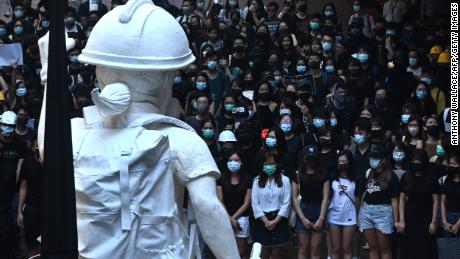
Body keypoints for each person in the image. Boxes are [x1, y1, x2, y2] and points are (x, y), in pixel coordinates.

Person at [358, 145, 399, 259]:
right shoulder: (368, 173)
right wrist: (360, 212)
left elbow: (394, 200)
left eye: (375, 158)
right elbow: (364, 193)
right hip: (367, 211)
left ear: (383, 160)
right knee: (373, 247)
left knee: (384, 248)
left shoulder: (391, 176)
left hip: (383, 212)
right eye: (371, 157)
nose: (372, 160)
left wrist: (396, 221)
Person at [398, 149, 439, 259]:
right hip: (409, 218)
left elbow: (436, 201)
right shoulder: (406, 177)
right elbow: (401, 198)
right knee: (409, 249)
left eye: (419, 162)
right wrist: (401, 220)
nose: (416, 164)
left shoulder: (431, 178)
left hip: (426, 218)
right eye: (414, 161)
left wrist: (434, 222)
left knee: (425, 250)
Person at [292, 145, 329, 259]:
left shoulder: (323, 174)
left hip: (319, 211)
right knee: (303, 248)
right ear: (303, 158)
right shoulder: (297, 174)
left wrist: (321, 219)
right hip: (302, 210)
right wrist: (303, 219)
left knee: (316, 249)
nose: (310, 161)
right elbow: (294, 198)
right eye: (308, 158)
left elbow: (325, 197)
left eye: (313, 158)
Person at [251, 152, 291, 259]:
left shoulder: (285, 180)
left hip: (279, 219)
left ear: (277, 164)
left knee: (276, 253)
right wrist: (266, 221)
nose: (269, 166)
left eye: (272, 163)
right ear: (262, 165)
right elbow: (255, 204)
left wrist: (275, 221)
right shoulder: (256, 181)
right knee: (263, 252)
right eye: (266, 164)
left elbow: (286, 203)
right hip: (262, 220)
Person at [217, 151, 252, 259]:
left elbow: (247, 203)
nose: (233, 163)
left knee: (241, 251)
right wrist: (230, 219)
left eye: (236, 160)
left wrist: (233, 218)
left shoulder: (247, 179)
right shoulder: (221, 178)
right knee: (226, 250)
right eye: (230, 160)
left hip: (241, 218)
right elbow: (220, 200)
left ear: (241, 163)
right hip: (225, 217)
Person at [328, 150, 359, 259]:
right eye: (339, 161)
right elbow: (328, 197)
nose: (341, 163)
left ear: (349, 163)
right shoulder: (332, 177)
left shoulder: (355, 179)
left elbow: (357, 198)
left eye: (344, 161)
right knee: (335, 248)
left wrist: (358, 216)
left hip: (349, 216)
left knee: (347, 248)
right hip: (334, 216)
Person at [17, 138, 42, 255]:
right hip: (32, 208)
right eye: (37, 145)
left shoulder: (54, 164)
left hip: (50, 209)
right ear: (33, 147)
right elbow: (23, 187)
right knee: (31, 243)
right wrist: (19, 211)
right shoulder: (27, 163)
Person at [441, 153, 460, 237]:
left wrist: (458, 224)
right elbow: (442, 202)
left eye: (454, 164)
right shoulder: (446, 180)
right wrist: (444, 221)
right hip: (448, 217)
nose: (451, 166)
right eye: (450, 164)